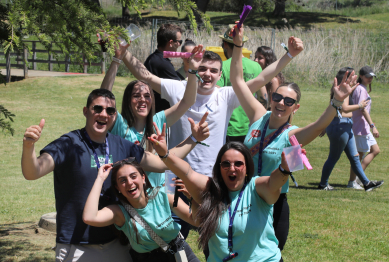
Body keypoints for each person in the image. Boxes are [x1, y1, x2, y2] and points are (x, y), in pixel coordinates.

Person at [229, 24, 383, 257]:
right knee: (238, 254)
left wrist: (336, 102)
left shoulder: (292, 134)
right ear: (271, 98)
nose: (281, 103)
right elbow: (238, 81)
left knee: (269, 259)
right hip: (242, 196)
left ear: (296, 107)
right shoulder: (257, 116)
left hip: (274, 204)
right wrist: (238, 45)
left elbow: (319, 125)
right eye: (278, 97)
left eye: (288, 101)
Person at [21, 89, 208, 262]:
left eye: (110, 111)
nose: (104, 114)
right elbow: (33, 172)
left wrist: (194, 139)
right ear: (86, 111)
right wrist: (29, 147)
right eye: (98, 108)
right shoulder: (68, 144)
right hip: (77, 245)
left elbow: (160, 163)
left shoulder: (121, 145)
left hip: (116, 246)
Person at [120, 35, 303, 179]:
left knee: (210, 226)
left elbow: (261, 79)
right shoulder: (179, 88)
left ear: (219, 75)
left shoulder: (226, 95)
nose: (207, 74)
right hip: (174, 173)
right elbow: (146, 76)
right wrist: (123, 53)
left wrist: (289, 55)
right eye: (203, 69)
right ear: (195, 68)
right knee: (175, 225)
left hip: (211, 174)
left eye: (213, 70)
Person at [148, 128, 292, 262]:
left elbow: (272, 184)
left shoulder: (256, 188)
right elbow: (187, 172)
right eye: (226, 164)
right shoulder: (211, 190)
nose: (232, 168)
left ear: (247, 168)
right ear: (219, 168)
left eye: (238, 164)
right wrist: (164, 154)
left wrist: (283, 169)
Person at [101, 43, 205, 239]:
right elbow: (104, 101)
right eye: (136, 95)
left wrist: (192, 70)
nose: (142, 99)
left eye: (147, 96)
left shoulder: (158, 121)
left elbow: (187, 102)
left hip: (158, 202)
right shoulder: (120, 126)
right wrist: (116, 60)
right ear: (127, 100)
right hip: (130, 204)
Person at [82, 157, 207, 262]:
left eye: (133, 176)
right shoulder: (119, 212)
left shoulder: (164, 194)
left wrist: (192, 200)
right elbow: (89, 217)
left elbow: (195, 220)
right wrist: (100, 179)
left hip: (180, 253)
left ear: (143, 178)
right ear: (117, 187)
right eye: (123, 180)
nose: (130, 182)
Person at [318, 67, 384, 191]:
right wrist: (359, 106)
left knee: (355, 157)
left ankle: (366, 184)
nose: (355, 78)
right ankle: (323, 184)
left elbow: (332, 109)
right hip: (340, 127)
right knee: (333, 157)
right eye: (353, 76)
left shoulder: (343, 90)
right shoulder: (343, 90)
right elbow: (344, 109)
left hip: (346, 126)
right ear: (346, 78)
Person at [218, 24, 267, 142]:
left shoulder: (222, 66)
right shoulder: (256, 66)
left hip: (228, 128)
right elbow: (263, 98)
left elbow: (216, 97)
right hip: (251, 126)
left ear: (224, 44)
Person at [348, 66, 382, 188]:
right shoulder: (361, 89)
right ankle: (352, 182)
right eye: (368, 76)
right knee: (358, 156)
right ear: (361, 76)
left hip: (364, 127)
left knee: (375, 150)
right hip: (360, 127)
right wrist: (373, 126)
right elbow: (362, 110)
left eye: (371, 76)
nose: (370, 78)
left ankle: (358, 179)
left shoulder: (361, 88)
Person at [144, 23, 184, 112]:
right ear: (170, 43)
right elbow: (180, 89)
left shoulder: (153, 58)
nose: (179, 44)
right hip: (161, 115)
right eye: (179, 41)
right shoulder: (163, 64)